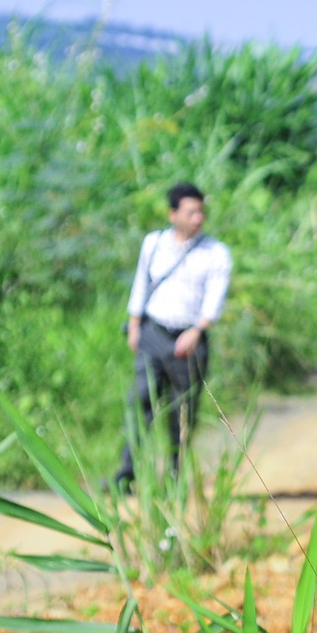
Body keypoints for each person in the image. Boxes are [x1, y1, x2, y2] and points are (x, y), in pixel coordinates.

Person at [111, 183, 233, 490]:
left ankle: (175, 477)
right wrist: (135, 322)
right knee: (140, 402)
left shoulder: (216, 253)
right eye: (191, 212)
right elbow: (141, 281)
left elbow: (214, 299)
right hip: (154, 333)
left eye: (201, 212)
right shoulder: (154, 244)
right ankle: (127, 474)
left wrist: (197, 331)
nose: (198, 218)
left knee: (182, 410)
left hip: (189, 341)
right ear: (173, 214)